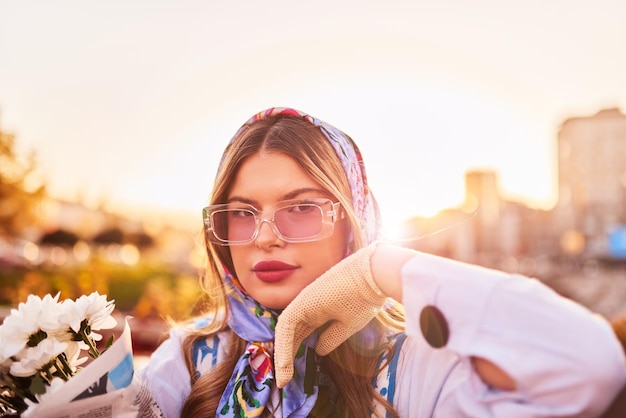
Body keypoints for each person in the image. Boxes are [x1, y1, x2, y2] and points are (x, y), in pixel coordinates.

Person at [139, 107, 626, 417]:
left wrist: (383, 269)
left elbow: (590, 366)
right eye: (242, 213)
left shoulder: (416, 365)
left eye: (302, 208)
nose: (265, 237)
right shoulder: (189, 357)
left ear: (354, 222)